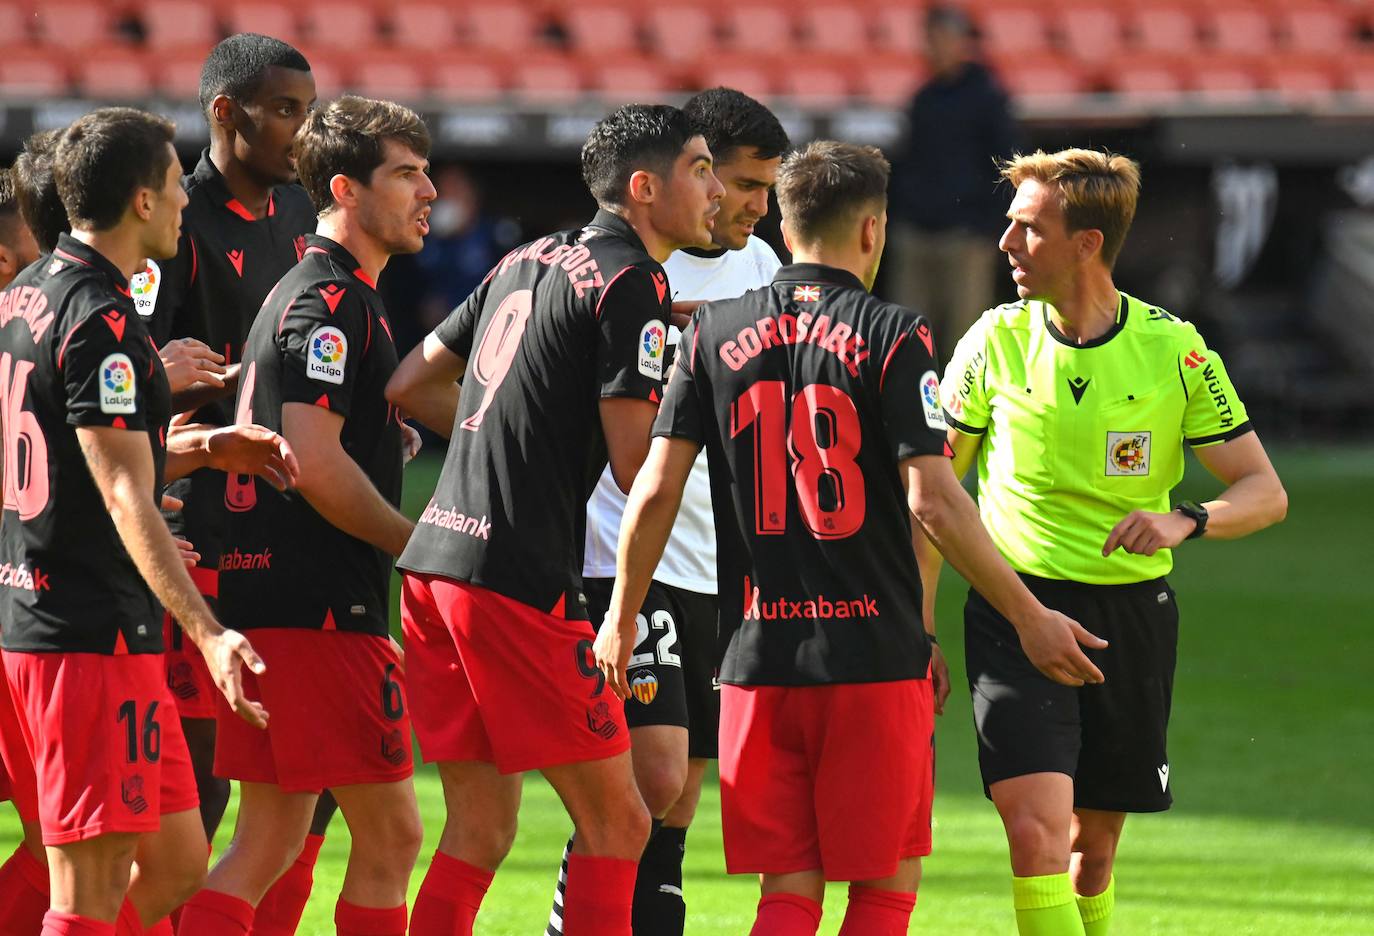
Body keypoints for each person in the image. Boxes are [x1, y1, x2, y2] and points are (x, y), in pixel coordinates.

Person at [596, 139, 1102, 936]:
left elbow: (654, 486)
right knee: (881, 891)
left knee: (787, 894)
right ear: (872, 231)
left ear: (787, 226)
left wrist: (622, 618)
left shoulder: (709, 333)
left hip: (758, 662)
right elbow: (933, 501)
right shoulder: (896, 334)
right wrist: (1027, 613)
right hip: (871, 657)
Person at [384, 103, 723, 936]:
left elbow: (410, 384)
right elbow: (636, 464)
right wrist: (698, 396)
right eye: (702, 169)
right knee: (623, 823)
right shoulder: (636, 282)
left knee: (480, 831)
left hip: (436, 565)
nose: (715, 191)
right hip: (516, 578)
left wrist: (513, 430)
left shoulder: (528, 256)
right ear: (645, 189)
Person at [934, 148, 1288, 935]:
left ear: (1087, 243)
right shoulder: (993, 342)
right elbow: (934, 496)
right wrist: (921, 624)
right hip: (1015, 609)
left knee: (1088, 848)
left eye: (1028, 229)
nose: (1005, 244)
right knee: (1033, 831)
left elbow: (1266, 492)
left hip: (1129, 617)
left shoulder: (1174, 349)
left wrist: (1187, 519)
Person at [0, 106, 297, 936]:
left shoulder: (26, 295)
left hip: (67, 620)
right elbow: (125, 492)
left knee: (172, 860)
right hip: (79, 629)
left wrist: (199, 447)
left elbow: (74, 458)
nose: (182, 204)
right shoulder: (101, 322)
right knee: (86, 885)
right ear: (139, 201)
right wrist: (208, 633)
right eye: (173, 187)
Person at [175, 95, 432, 936]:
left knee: (267, 841)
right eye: (405, 173)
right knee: (392, 837)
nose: (427, 190)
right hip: (317, 610)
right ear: (345, 189)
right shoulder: (330, 300)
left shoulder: (315, 292)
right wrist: (418, 546)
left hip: (271, 604)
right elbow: (313, 465)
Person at [547, 86, 789, 936]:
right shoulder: (629, 263)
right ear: (696, 172)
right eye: (745, 184)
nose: (756, 205)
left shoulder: (763, 267)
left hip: (713, 558)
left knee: (681, 793)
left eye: (768, 188)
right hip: (622, 549)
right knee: (646, 782)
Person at [145, 35, 338, 934]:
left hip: (293, 527)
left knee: (311, 785)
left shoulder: (303, 210)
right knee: (202, 794)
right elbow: (120, 388)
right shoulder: (171, 222)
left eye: (309, 109)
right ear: (226, 113)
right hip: (199, 538)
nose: (305, 129)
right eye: (287, 111)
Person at [887, 4, 1022, 359]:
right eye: (929, 40)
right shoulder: (922, 98)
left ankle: (963, 414)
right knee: (910, 340)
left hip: (965, 238)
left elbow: (1006, 166)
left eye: (940, 39)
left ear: (961, 42)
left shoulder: (988, 98)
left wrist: (984, 225)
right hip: (917, 234)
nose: (932, 48)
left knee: (967, 341)